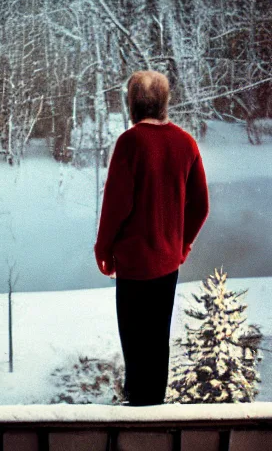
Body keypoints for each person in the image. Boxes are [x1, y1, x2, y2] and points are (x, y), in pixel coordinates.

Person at [94, 70, 210, 406]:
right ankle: (156, 418)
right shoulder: (186, 142)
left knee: (135, 346)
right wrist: (182, 244)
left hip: (133, 265)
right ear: (163, 103)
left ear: (132, 105)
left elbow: (116, 205)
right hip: (167, 264)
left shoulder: (130, 143)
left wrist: (103, 250)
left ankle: (136, 419)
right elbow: (201, 206)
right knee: (158, 343)